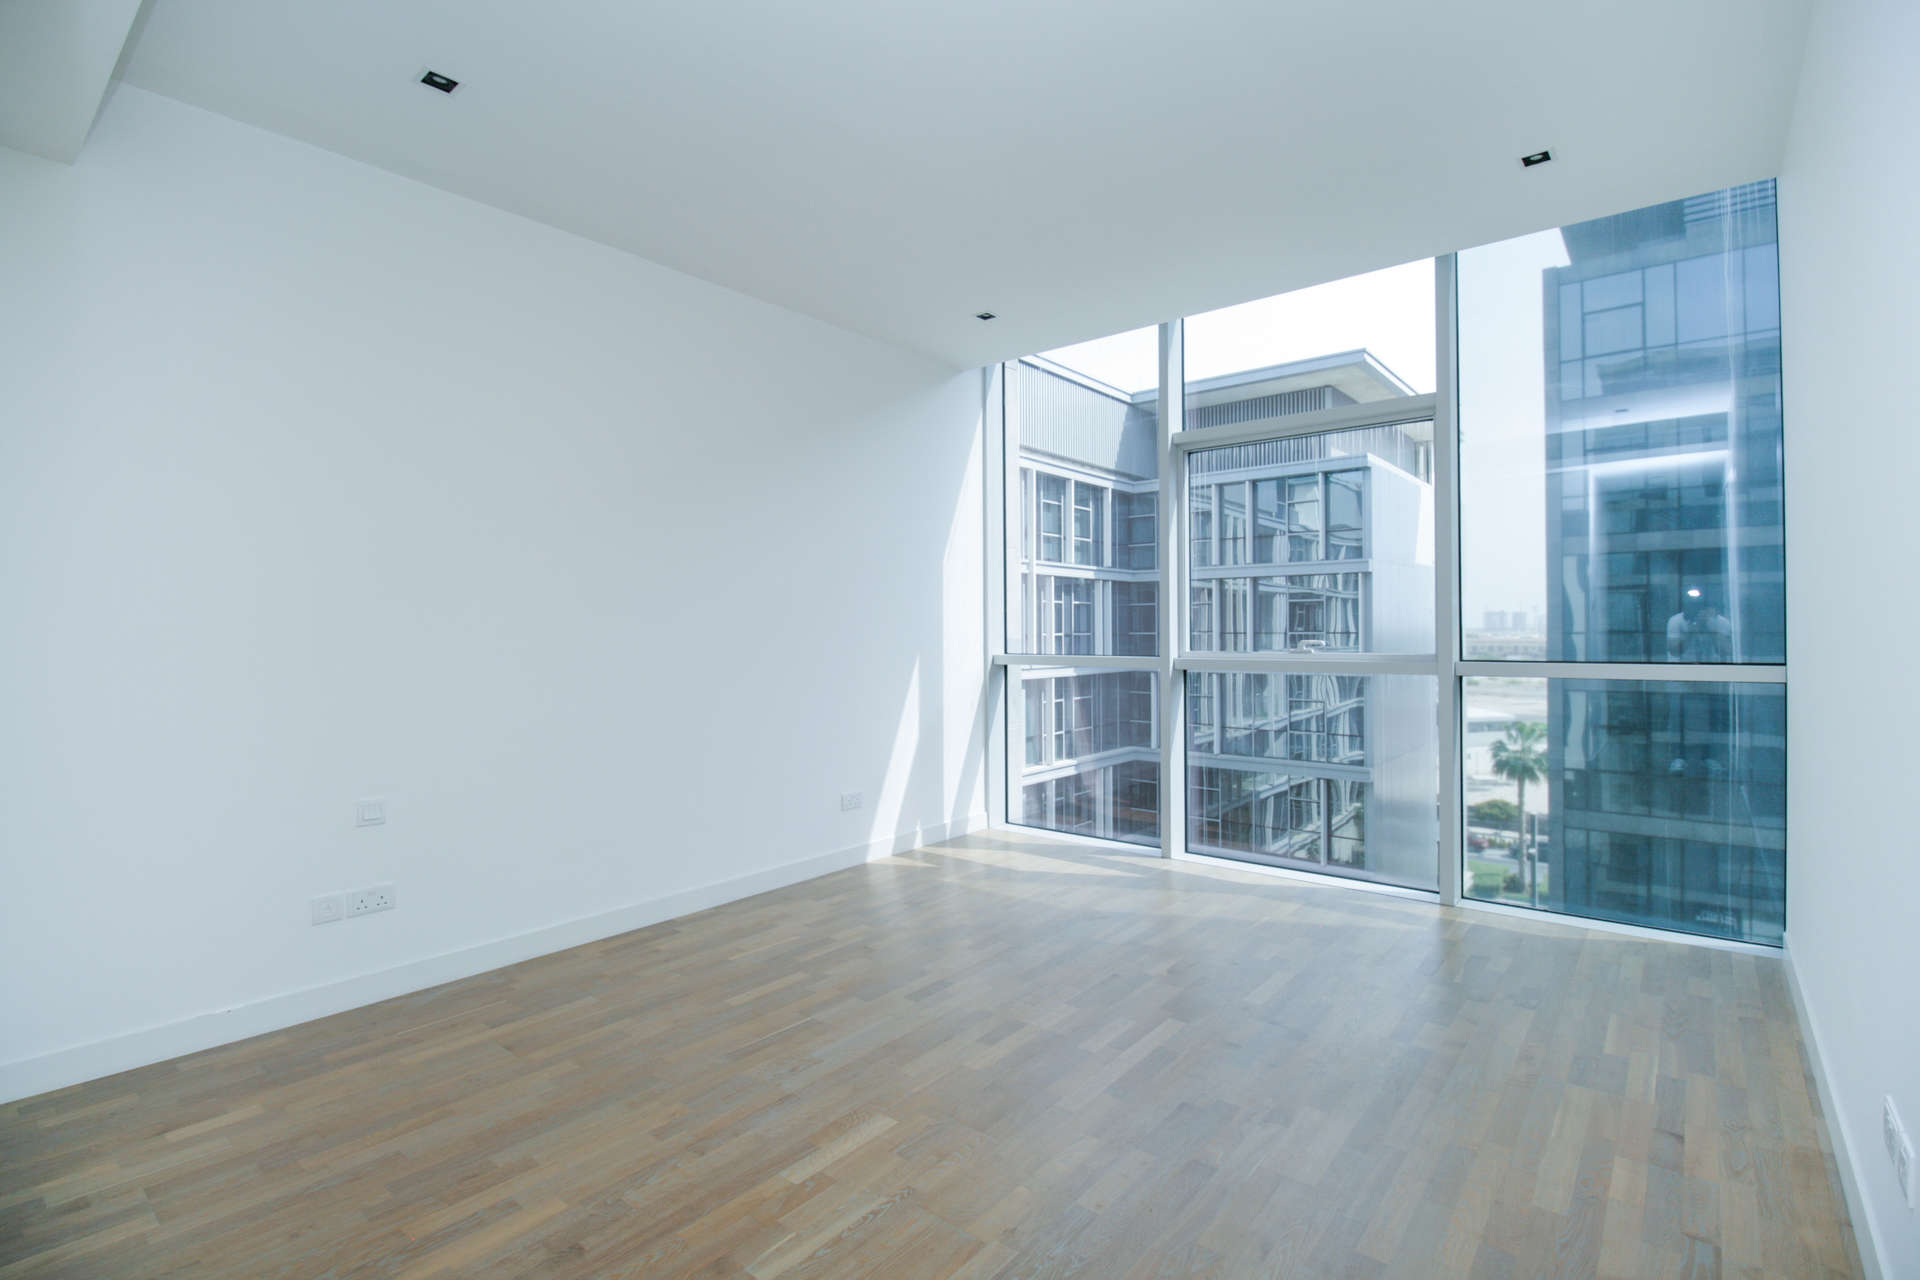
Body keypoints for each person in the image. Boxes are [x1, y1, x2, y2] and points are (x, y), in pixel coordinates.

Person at [1666, 588, 1731, 776]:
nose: (1697, 611)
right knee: (1678, 717)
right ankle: (1679, 757)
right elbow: (1674, 651)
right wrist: (1693, 629)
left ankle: (1710, 757)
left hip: (1711, 678)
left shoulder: (1721, 623)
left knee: (1714, 717)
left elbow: (1726, 650)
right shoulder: (1676, 621)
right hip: (1681, 678)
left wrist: (1710, 627)